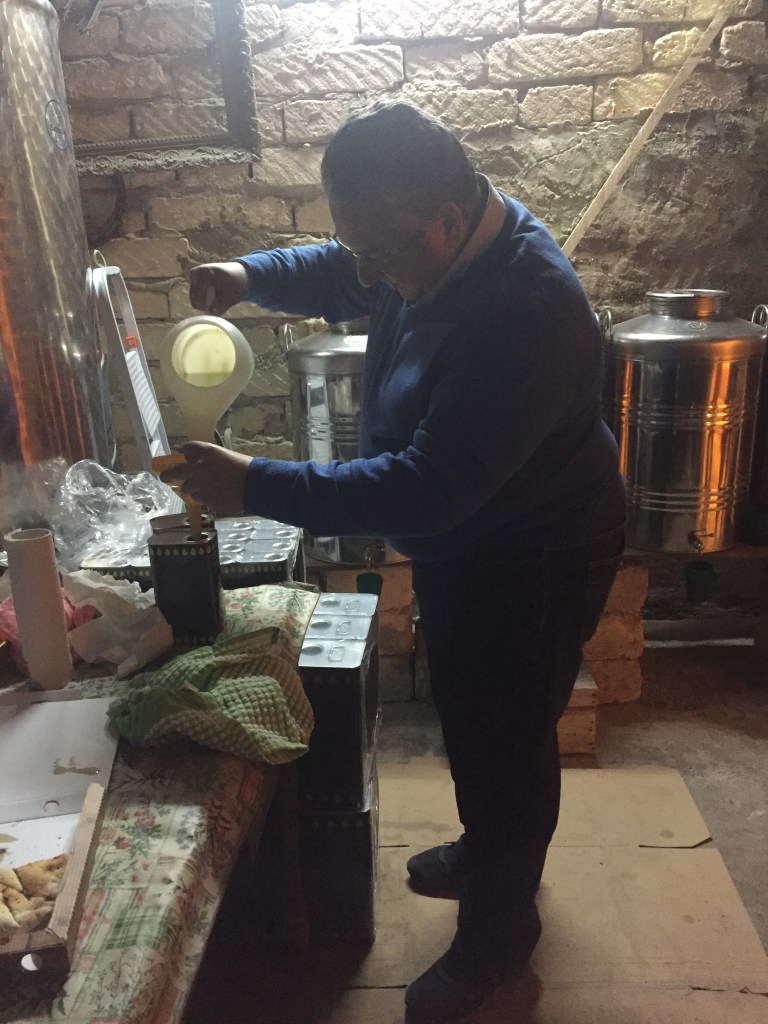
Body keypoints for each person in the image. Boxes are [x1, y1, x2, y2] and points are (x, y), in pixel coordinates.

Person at [161, 101, 626, 1022]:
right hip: (472, 543)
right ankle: (485, 851)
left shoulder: (527, 314)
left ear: (446, 222)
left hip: (535, 554)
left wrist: (253, 483)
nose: (367, 273)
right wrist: (250, 274)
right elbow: (345, 269)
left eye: (381, 254)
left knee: (507, 740)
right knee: (472, 713)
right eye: (358, 246)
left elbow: (424, 489)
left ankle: (498, 936)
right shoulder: (429, 243)